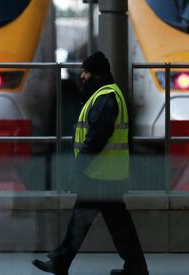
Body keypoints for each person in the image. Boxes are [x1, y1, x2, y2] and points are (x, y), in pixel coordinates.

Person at [33, 51, 149, 275]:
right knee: (111, 222)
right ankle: (135, 267)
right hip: (107, 173)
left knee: (91, 220)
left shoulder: (105, 97)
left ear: (96, 74)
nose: (82, 76)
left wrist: (78, 169)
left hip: (100, 173)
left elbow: (96, 138)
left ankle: (62, 262)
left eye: (86, 72)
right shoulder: (106, 94)